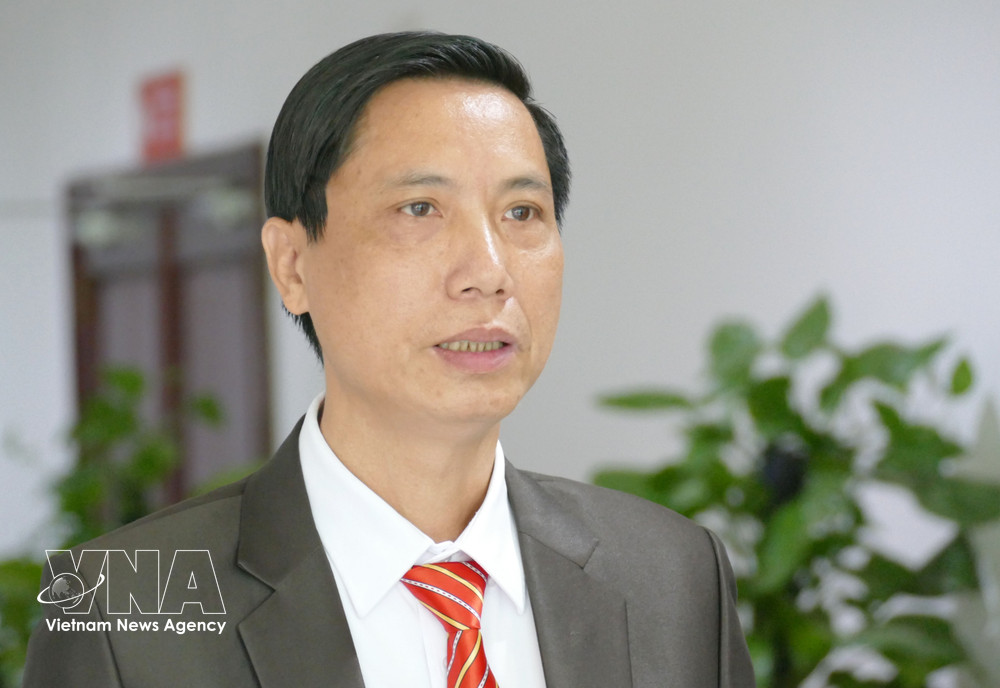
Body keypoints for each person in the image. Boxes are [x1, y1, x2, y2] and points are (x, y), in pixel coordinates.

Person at [24, 31, 755, 687]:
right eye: (420, 209)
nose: (488, 271)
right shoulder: (119, 607)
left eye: (522, 213)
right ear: (291, 265)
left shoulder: (671, 574)